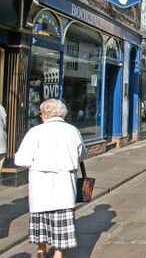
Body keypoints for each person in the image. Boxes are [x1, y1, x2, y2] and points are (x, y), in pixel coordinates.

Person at [14, 99, 87, 258]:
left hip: (41, 185)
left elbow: (22, 160)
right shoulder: (72, 130)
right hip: (64, 184)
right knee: (62, 219)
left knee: (41, 218)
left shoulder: (36, 132)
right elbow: (82, 154)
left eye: (41, 113)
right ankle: (58, 253)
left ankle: (41, 250)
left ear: (45, 114)